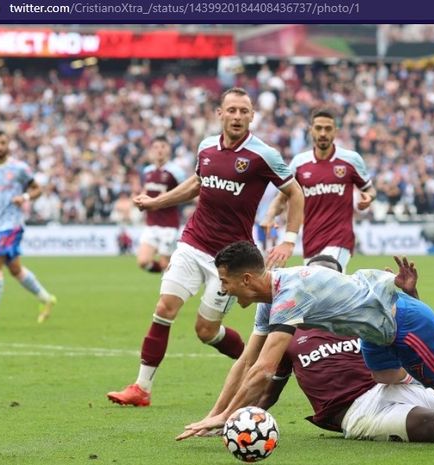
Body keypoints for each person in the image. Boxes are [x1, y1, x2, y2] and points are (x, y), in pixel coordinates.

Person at [177, 255, 434, 448]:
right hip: (376, 338)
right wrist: (216, 414)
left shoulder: (288, 294)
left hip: (402, 319)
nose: (223, 291)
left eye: (226, 283)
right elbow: (248, 361)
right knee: (387, 377)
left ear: (247, 278)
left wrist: (228, 417)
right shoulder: (270, 297)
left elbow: (264, 370)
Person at [106, 88, 304, 407]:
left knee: (206, 331)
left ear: (252, 116)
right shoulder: (206, 147)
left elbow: (295, 193)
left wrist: (289, 239)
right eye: (232, 110)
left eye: (243, 111)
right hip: (192, 242)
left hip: (230, 261)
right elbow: (197, 184)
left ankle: (254, 362)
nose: (237, 116)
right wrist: (157, 202)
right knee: (163, 309)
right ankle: (141, 388)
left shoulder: (263, 154)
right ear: (219, 114)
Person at [261, 108, 376, 271]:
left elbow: (370, 190)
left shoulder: (351, 160)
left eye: (328, 129)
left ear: (335, 131)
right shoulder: (299, 163)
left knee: (325, 275)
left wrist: (369, 197)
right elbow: (281, 199)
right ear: (311, 130)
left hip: (340, 238)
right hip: (311, 240)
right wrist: (269, 216)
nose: (323, 133)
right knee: (319, 291)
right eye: (318, 128)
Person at [0, 130, 57, 329]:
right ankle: (46, 299)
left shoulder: (20, 168)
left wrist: (25, 198)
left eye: (3, 143)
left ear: (8, 144)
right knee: (15, 269)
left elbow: (36, 189)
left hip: (12, 225)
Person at [137, 135, 187, 273]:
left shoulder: (176, 171)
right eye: (156, 147)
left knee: (166, 263)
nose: (159, 150)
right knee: (143, 261)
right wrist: (139, 200)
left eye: (163, 147)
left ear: (168, 149)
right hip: (151, 224)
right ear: (151, 150)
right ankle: (170, 273)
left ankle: (172, 283)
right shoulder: (147, 171)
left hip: (168, 225)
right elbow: (144, 192)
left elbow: (186, 191)